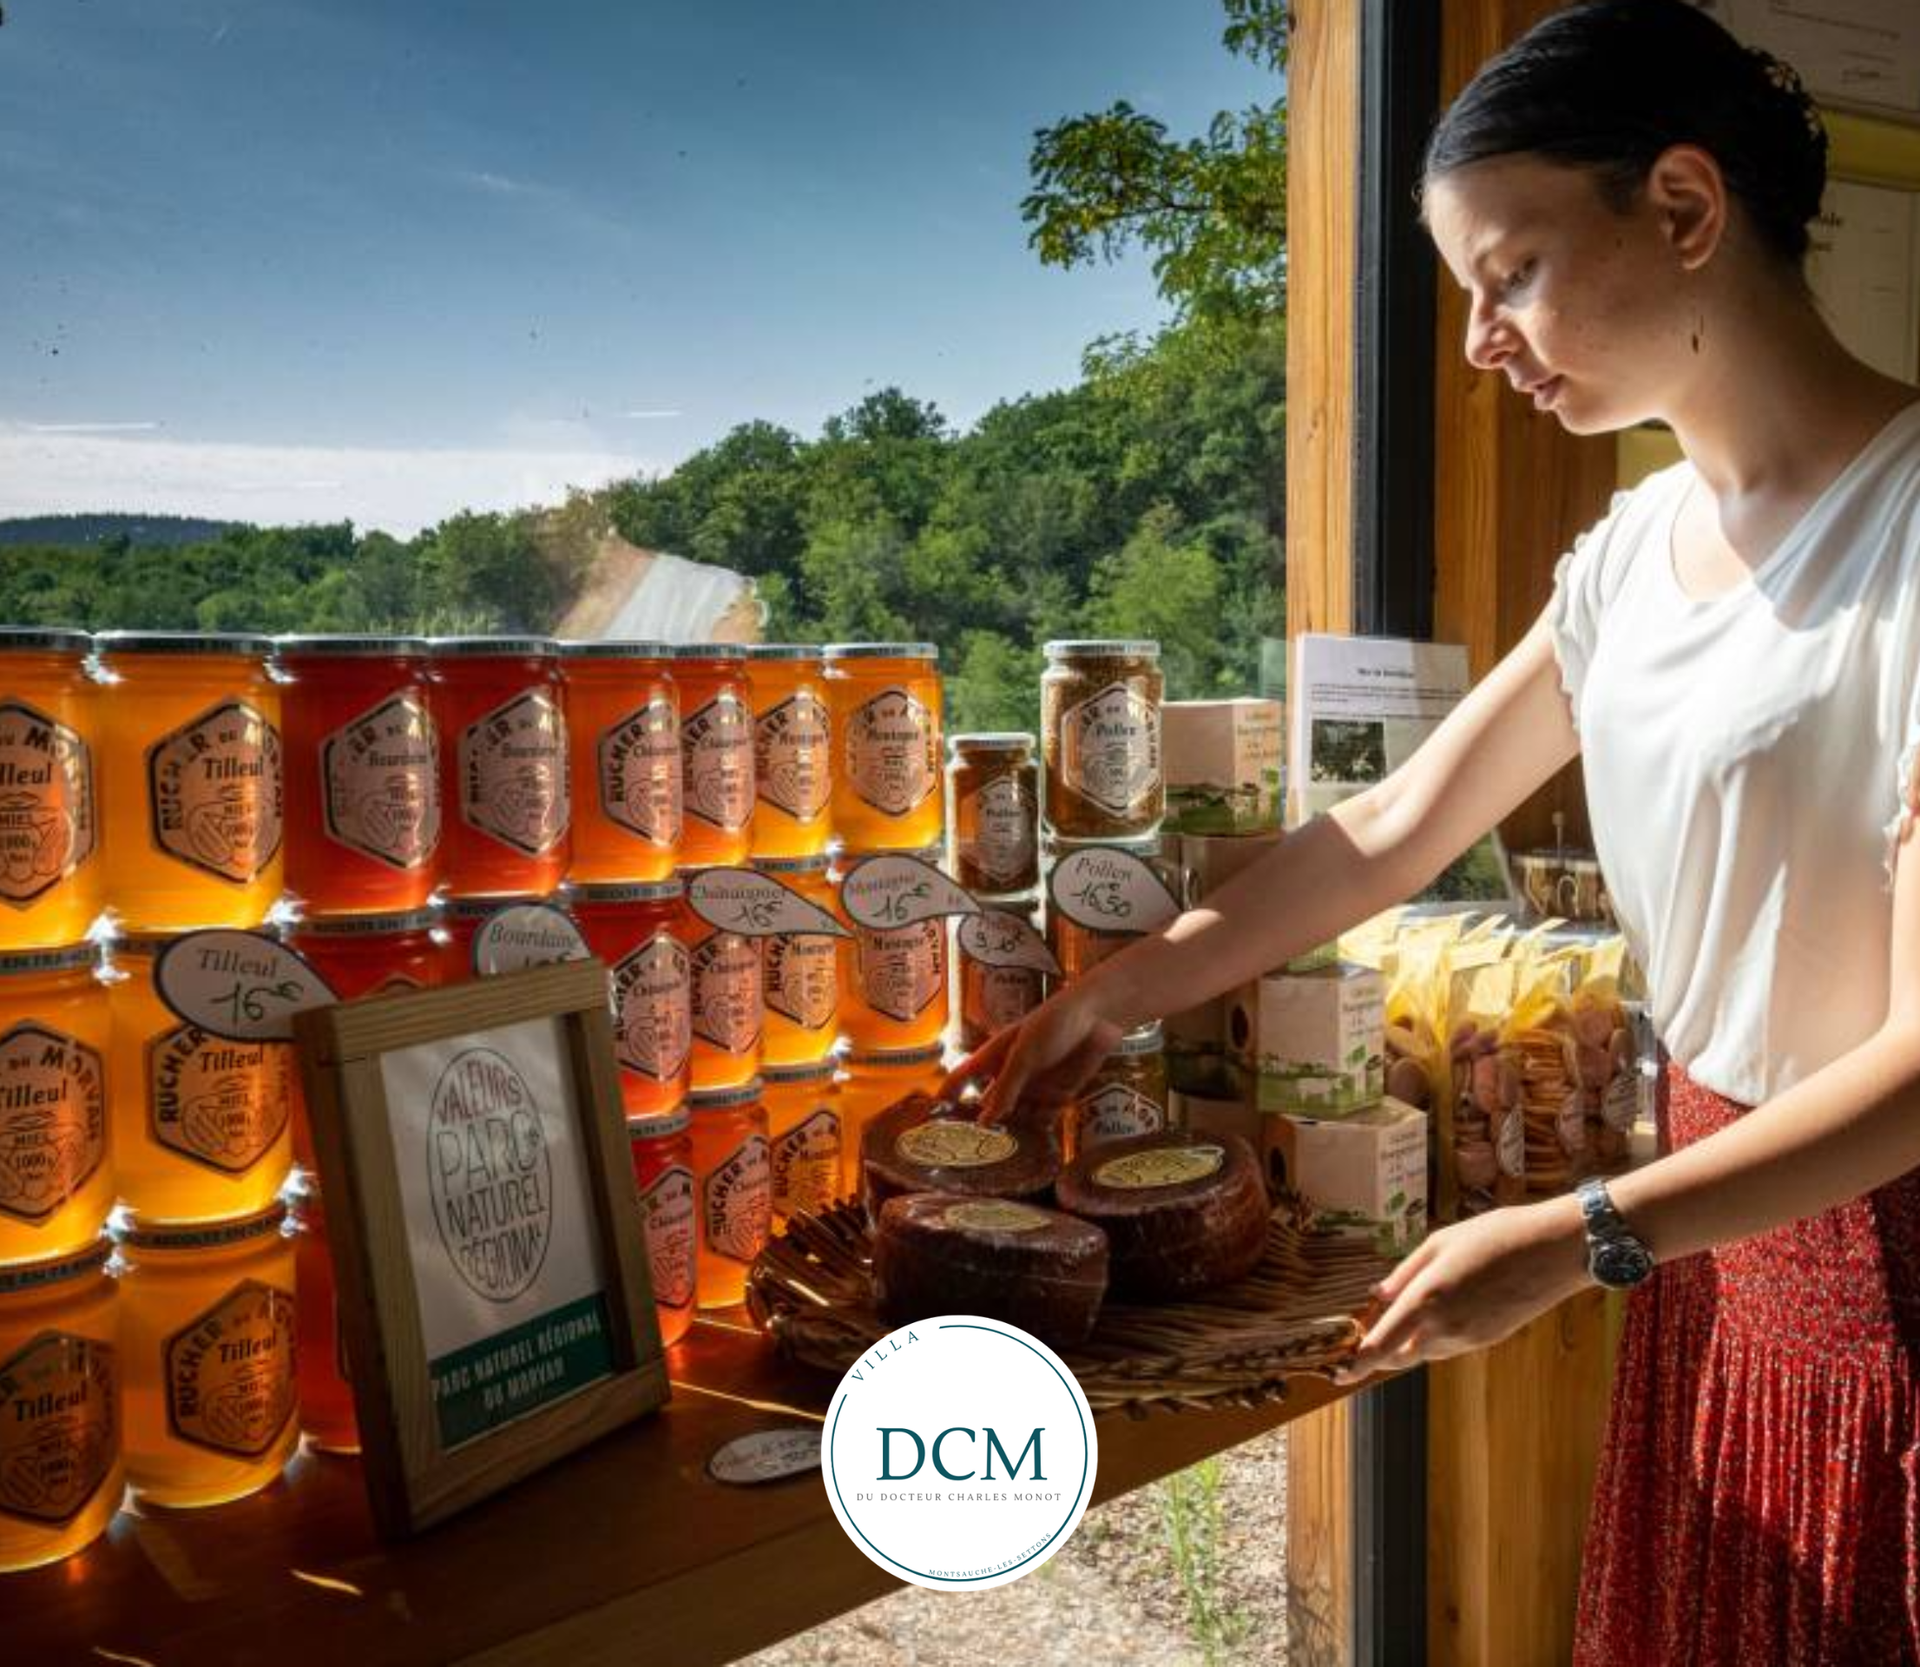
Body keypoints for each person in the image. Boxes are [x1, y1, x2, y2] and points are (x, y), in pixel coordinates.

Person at [952, 3, 1920, 1660]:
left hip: (1878, 1277)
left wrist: (1582, 1231)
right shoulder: (1633, 549)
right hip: (1705, 1236)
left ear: (1686, 209)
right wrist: (1123, 989)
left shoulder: (1904, 534)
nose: (1478, 341)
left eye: (1513, 273)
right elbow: (1393, 823)